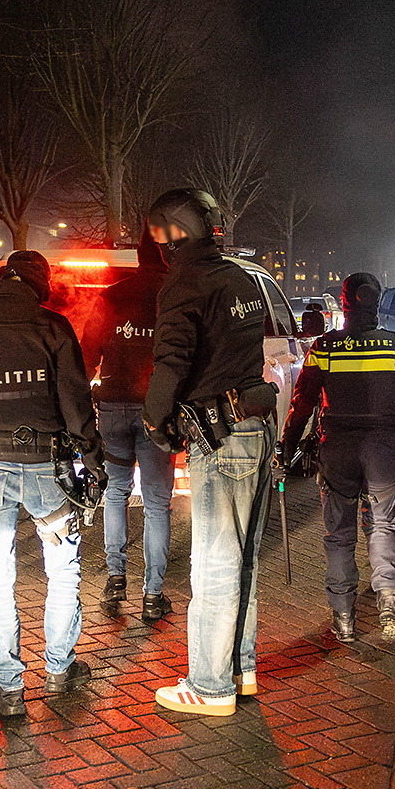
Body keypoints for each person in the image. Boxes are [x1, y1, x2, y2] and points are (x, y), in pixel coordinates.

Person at [0, 250, 106, 719]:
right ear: (39, 283)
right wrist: (93, 461)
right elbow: (75, 403)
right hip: (48, 468)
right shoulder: (53, 327)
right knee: (63, 570)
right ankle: (59, 668)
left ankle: (9, 688)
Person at [142, 188, 277, 718]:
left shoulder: (185, 284)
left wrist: (155, 420)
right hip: (254, 428)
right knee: (243, 562)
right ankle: (240, 669)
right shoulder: (242, 278)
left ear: (174, 234)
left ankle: (209, 685)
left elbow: (172, 361)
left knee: (215, 565)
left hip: (219, 440)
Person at [278, 272, 395, 644]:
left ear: (344, 303)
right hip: (384, 449)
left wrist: (286, 450)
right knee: (382, 525)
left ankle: (345, 616)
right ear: (377, 302)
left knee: (339, 534)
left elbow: (302, 405)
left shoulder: (325, 347)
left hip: (337, 450)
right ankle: (389, 606)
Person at [83, 228, 175, 622]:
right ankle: (153, 594)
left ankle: (115, 578)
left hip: (112, 408)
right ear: (167, 255)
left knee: (116, 492)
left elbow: (88, 353)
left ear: (138, 257)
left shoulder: (112, 296)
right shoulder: (173, 296)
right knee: (156, 503)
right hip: (156, 412)